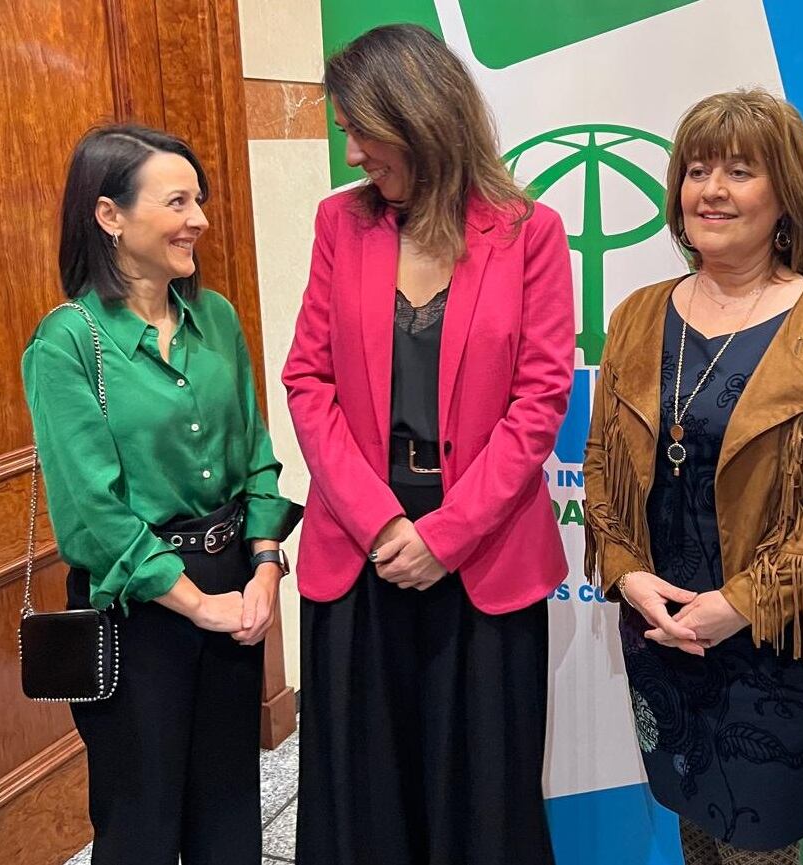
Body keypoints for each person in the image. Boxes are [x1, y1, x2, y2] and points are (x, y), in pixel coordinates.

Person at [283, 24, 574, 865]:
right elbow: (309, 381)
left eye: (360, 130)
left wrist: (444, 536)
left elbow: (539, 398)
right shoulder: (341, 224)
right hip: (360, 549)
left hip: (483, 553)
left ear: (417, 117)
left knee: (483, 796)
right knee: (364, 796)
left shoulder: (530, 232)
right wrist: (380, 524)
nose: (350, 156)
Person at [583, 89, 803, 865]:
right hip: (661, 623)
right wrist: (627, 574)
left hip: (776, 639)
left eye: (740, 171)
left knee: (757, 842)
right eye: (697, 169)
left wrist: (737, 604)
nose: (711, 189)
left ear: (785, 195)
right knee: (691, 818)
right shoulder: (639, 314)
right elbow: (605, 463)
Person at [22, 124, 301, 864]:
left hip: (234, 588)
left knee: (231, 813)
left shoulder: (216, 319)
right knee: (141, 824)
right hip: (138, 611)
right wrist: (199, 603)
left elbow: (256, 458)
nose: (199, 218)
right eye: (177, 200)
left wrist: (265, 568)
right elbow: (93, 513)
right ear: (110, 216)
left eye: (199, 199)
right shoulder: (68, 343)